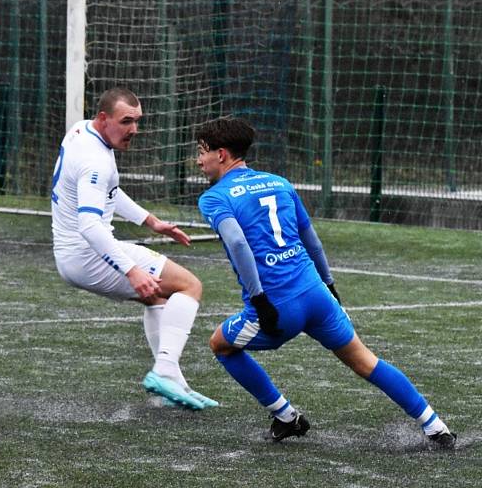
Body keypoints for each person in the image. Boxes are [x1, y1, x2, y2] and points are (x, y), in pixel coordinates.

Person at [195, 116, 456, 447]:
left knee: (220, 344)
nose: (198, 160)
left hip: (277, 307)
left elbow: (236, 243)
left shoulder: (214, 197)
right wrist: (330, 286)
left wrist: (260, 300)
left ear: (221, 154)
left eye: (202, 152)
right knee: (366, 361)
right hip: (317, 295)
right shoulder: (280, 183)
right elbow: (311, 240)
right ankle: (435, 426)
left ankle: (286, 416)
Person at [51, 87, 218, 410]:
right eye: (126, 121)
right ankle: (165, 372)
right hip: (88, 253)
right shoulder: (95, 160)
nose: (134, 130)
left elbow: (109, 190)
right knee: (189, 285)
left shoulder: (81, 131)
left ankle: (171, 384)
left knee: (156, 295)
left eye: (137, 121)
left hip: (73, 256)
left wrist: (152, 221)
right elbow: (90, 226)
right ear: (104, 118)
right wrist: (132, 269)